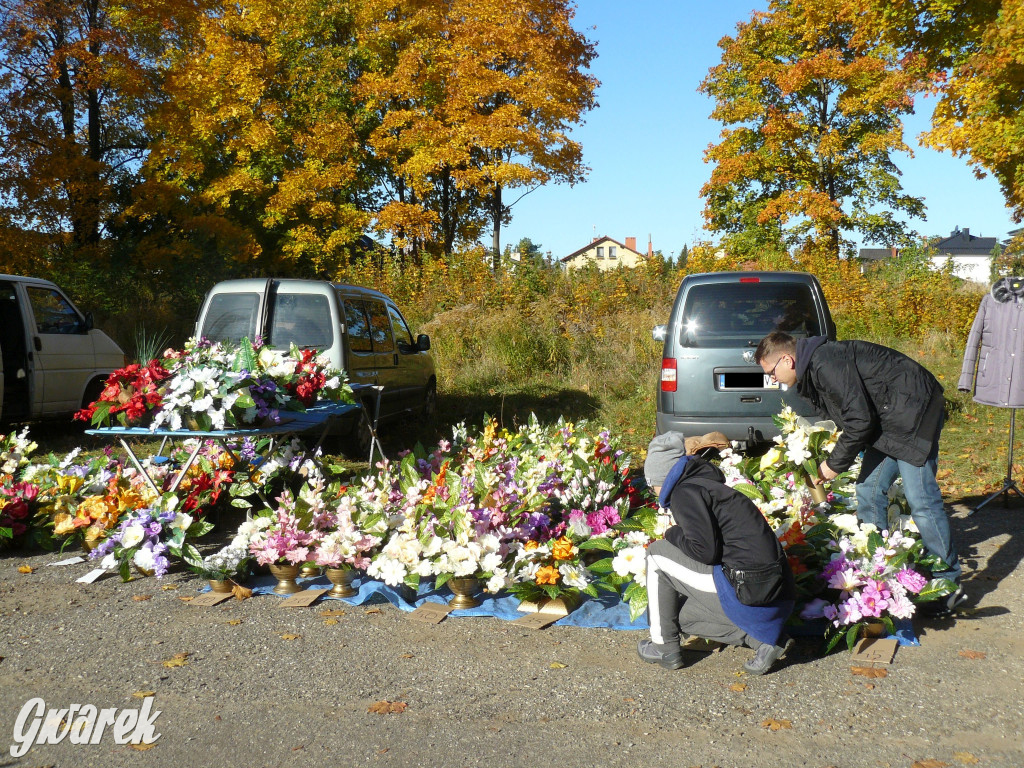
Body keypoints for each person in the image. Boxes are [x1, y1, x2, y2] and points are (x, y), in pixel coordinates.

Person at [754, 330, 965, 615]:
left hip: (914, 412)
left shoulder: (825, 362)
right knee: (868, 489)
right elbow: (857, 413)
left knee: (921, 500)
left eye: (771, 371)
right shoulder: (815, 367)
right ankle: (874, 572)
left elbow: (859, 419)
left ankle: (947, 583)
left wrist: (833, 465)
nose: (772, 379)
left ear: (788, 360)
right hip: (889, 420)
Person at [637, 432, 796, 675]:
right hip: (774, 594)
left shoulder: (683, 493)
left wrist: (673, 534)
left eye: (651, 486)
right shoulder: (709, 488)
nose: (654, 492)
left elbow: (705, 551)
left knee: (657, 553)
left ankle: (663, 647)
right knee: (680, 616)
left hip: (747, 590)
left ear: (661, 477)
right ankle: (765, 642)